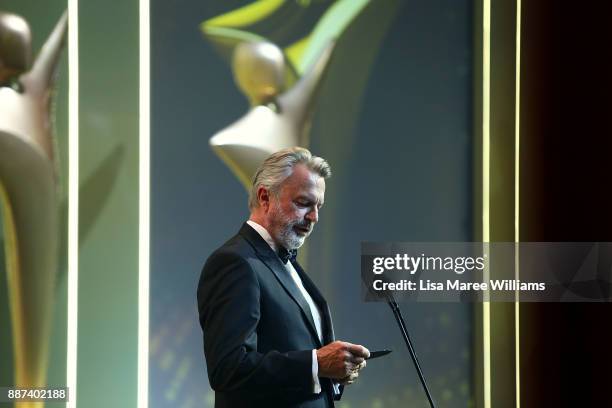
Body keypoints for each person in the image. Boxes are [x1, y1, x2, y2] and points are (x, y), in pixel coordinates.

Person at [197, 147, 370, 408]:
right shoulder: (235, 262)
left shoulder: (283, 261)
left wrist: (335, 369)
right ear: (265, 197)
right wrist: (316, 363)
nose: (314, 217)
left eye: (318, 206)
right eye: (303, 203)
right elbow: (228, 368)